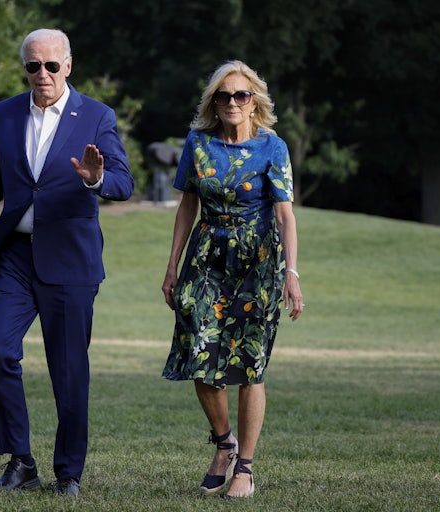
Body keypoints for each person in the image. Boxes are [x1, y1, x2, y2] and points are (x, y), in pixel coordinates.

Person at [0, 28, 134, 497]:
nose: (42, 74)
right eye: (33, 66)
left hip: (71, 262)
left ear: (68, 66)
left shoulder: (96, 115)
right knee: (0, 349)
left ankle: (69, 474)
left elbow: (124, 182)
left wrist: (97, 180)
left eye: (51, 65)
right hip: (15, 257)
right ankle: (20, 461)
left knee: (69, 371)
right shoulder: (6, 112)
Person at [161, 60, 304, 500]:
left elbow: (284, 215)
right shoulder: (198, 144)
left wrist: (292, 275)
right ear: (214, 103)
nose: (233, 103)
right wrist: (172, 266)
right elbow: (187, 206)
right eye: (224, 96)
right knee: (200, 355)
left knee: (249, 364)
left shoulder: (272, 147)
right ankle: (224, 443)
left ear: (254, 100)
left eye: (242, 95)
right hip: (206, 258)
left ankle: (244, 466)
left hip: (258, 263)